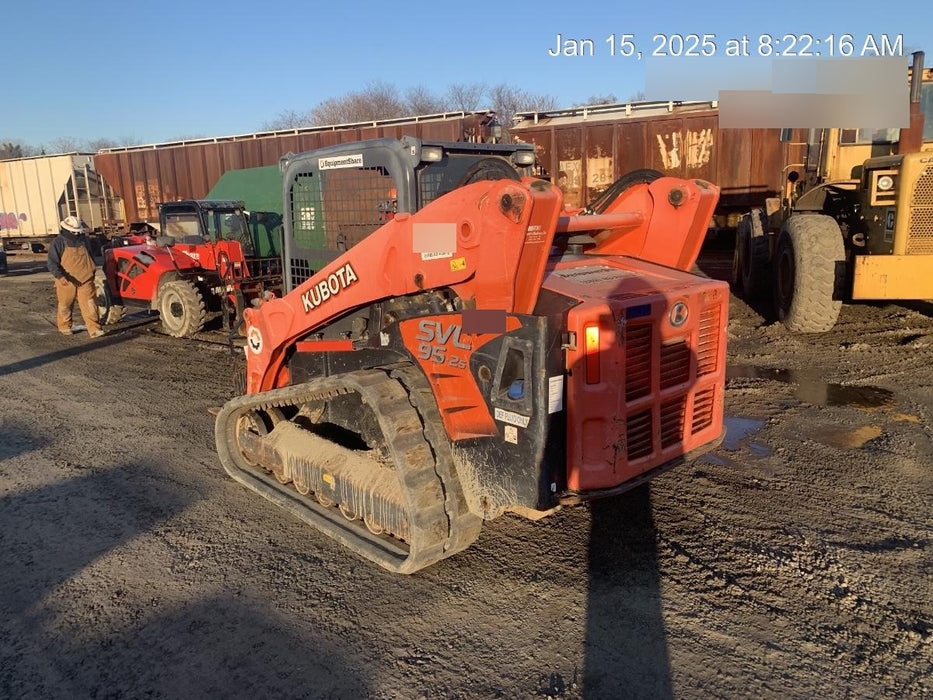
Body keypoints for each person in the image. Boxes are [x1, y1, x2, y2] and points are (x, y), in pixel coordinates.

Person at [47, 216, 104, 338]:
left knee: (90, 304)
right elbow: (52, 262)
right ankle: (64, 326)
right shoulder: (58, 242)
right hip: (66, 280)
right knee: (65, 304)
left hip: (86, 279)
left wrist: (92, 272)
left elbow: (90, 257)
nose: (76, 234)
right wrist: (60, 276)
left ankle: (94, 329)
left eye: (78, 232)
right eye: (74, 232)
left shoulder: (84, 240)